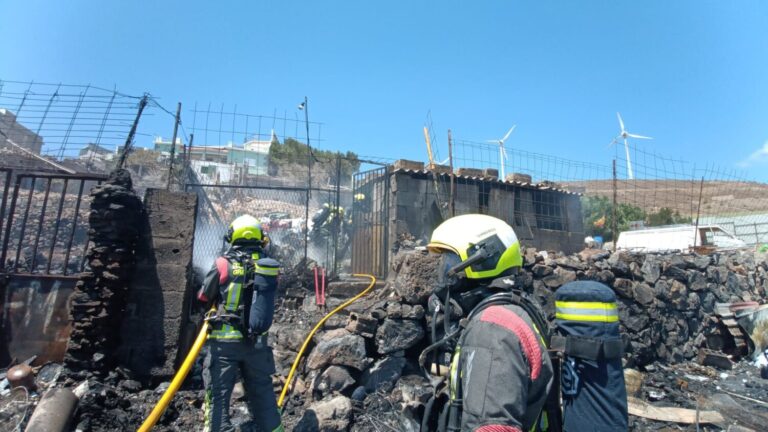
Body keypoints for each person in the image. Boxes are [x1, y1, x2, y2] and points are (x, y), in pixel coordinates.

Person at [421, 214, 558, 432]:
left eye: (451, 262)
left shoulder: (491, 330)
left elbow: (492, 426)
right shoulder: (512, 307)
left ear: (483, 259)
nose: (446, 272)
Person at [197, 215, 284, 432]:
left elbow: (204, 297)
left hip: (224, 345)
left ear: (232, 236)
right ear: (260, 237)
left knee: (218, 395)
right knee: (263, 392)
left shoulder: (222, 263)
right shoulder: (267, 266)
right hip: (257, 343)